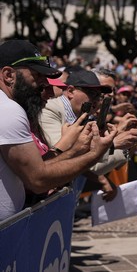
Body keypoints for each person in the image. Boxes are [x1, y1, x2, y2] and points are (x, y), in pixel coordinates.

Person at [0, 40, 117, 221]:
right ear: (8, 75)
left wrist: (76, 150)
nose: (45, 85)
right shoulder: (8, 110)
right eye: (38, 76)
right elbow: (38, 180)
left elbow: (41, 166)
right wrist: (93, 154)